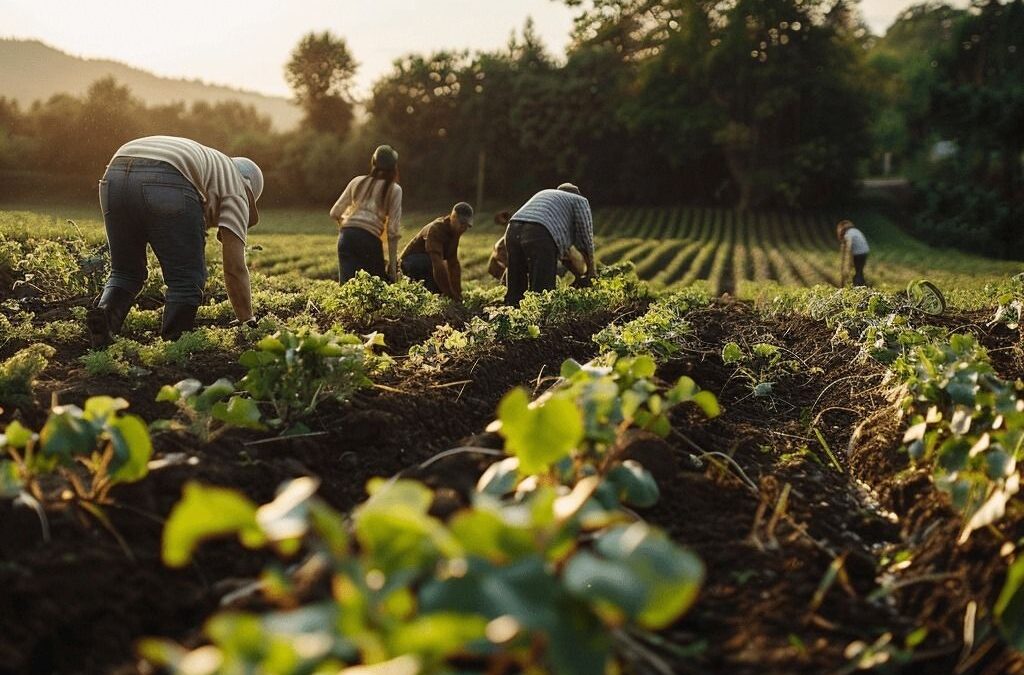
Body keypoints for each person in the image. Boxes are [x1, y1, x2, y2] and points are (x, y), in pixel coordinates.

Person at [87, 135, 264, 348]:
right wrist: (247, 320)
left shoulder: (212, 166)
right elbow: (234, 268)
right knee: (185, 279)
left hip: (116, 171)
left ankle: (105, 319)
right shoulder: (237, 189)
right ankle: (174, 345)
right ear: (249, 190)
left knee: (126, 272)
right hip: (168, 177)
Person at [503, 183, 595, 305]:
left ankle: (511, 314)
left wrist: (578, 275)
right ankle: (539, 318)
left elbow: (564, 255)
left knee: (516, 284)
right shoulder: (579, 200)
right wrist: (592, 272)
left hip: (512, 229)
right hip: (539, 231)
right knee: (542, 289)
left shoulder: (546, 194)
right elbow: (586, 237)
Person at [330, 145, 402, 283]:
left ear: (373, 162)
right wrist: (393, 267)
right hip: (369, 240)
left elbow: (334, 213)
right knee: (375, 288)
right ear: (394, 167)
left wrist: (349, 229)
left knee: (347, 288)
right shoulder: (394, 190)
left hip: (346, 237)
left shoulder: (357, 181)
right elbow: (392, 232)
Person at [399, 202, 474, 301]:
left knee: (443, 277)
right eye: (462, 224)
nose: (464, 228)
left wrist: (457, 293)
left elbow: (453, 264)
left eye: (466, 226)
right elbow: (437, 264)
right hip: (409, 264)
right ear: (453, 217)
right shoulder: (436, 229)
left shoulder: (455, 232)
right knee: (436, 267)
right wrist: (450, 295)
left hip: (427, 264)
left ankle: (437, 295)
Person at [837, 219, 870, 287]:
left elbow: (849, 246)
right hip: (864, 251)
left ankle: (858, 285)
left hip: (858, 253)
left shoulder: (848, 234)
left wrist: (849, 262)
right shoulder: (856, 231)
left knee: (858, 271)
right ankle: (861, 284)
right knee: (859, 270)